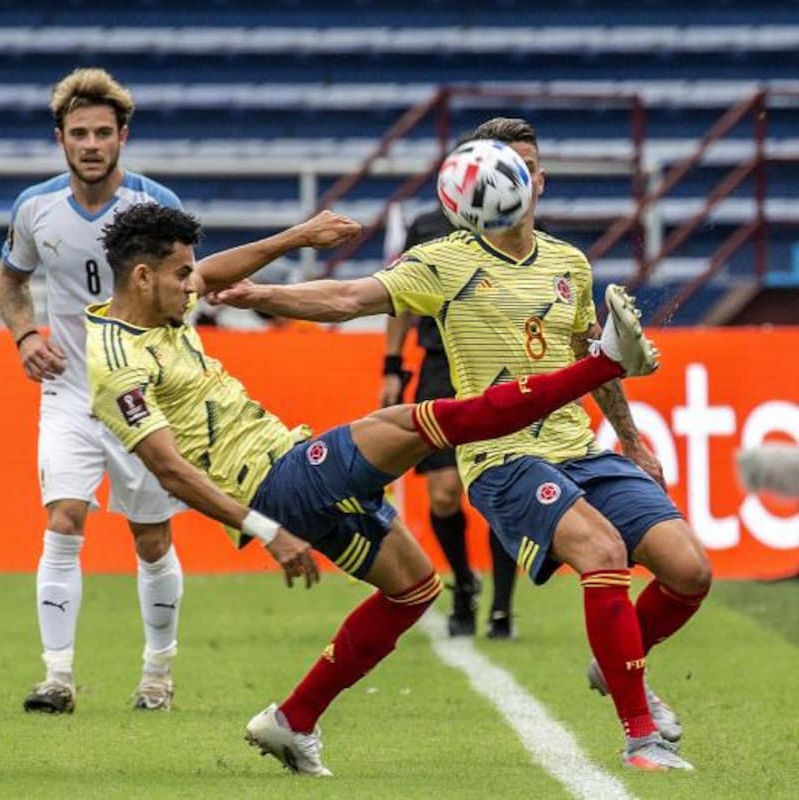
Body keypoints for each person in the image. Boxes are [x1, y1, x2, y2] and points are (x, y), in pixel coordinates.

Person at [86, 202, 660, 776]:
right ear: (143, 277)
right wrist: (266, 531)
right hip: (274, 486)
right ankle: (606, 363)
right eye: (184, 274)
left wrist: (300, 234)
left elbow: (216, 271)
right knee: (424, 422)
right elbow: (169, 470)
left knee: (413, 587)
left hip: (286, 469)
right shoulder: (117, 362)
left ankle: (293, 720)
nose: (196, 284)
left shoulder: (161, 299)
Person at [211, 118, 712, 772]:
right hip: (502, 455)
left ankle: (618, 658)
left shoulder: (569, 262)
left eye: (525, 167)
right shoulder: (445, 260)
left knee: (690, 572)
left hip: (580, 449)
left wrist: (630, 438)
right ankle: (642, 737)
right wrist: (264, 294)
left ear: (539, 180)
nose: (514, 179)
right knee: (602, 551)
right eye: (502, 167)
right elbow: (348, 297)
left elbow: (590, 355)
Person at [0, 67, 194, 713]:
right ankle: (56, 677)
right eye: (78, 133)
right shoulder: (35, 207)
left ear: (122, 136)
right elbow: (12, 279)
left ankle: (157, 674)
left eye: (102, 133)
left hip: (141, 396)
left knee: (151, 537)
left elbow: (188, 289)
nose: (90, 144)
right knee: (64, 518)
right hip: (69, 390)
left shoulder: (155, 207)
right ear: (60, 138)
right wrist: (25, 336)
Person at [381, 206, 519, 639]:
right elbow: (401, 296)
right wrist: (391, 364)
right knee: (443, 493)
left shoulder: (521, 223)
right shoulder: (427, 227)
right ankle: (464, 582)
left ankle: (502, 606)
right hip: (441, 366)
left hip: (501, 366)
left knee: (503, 488)